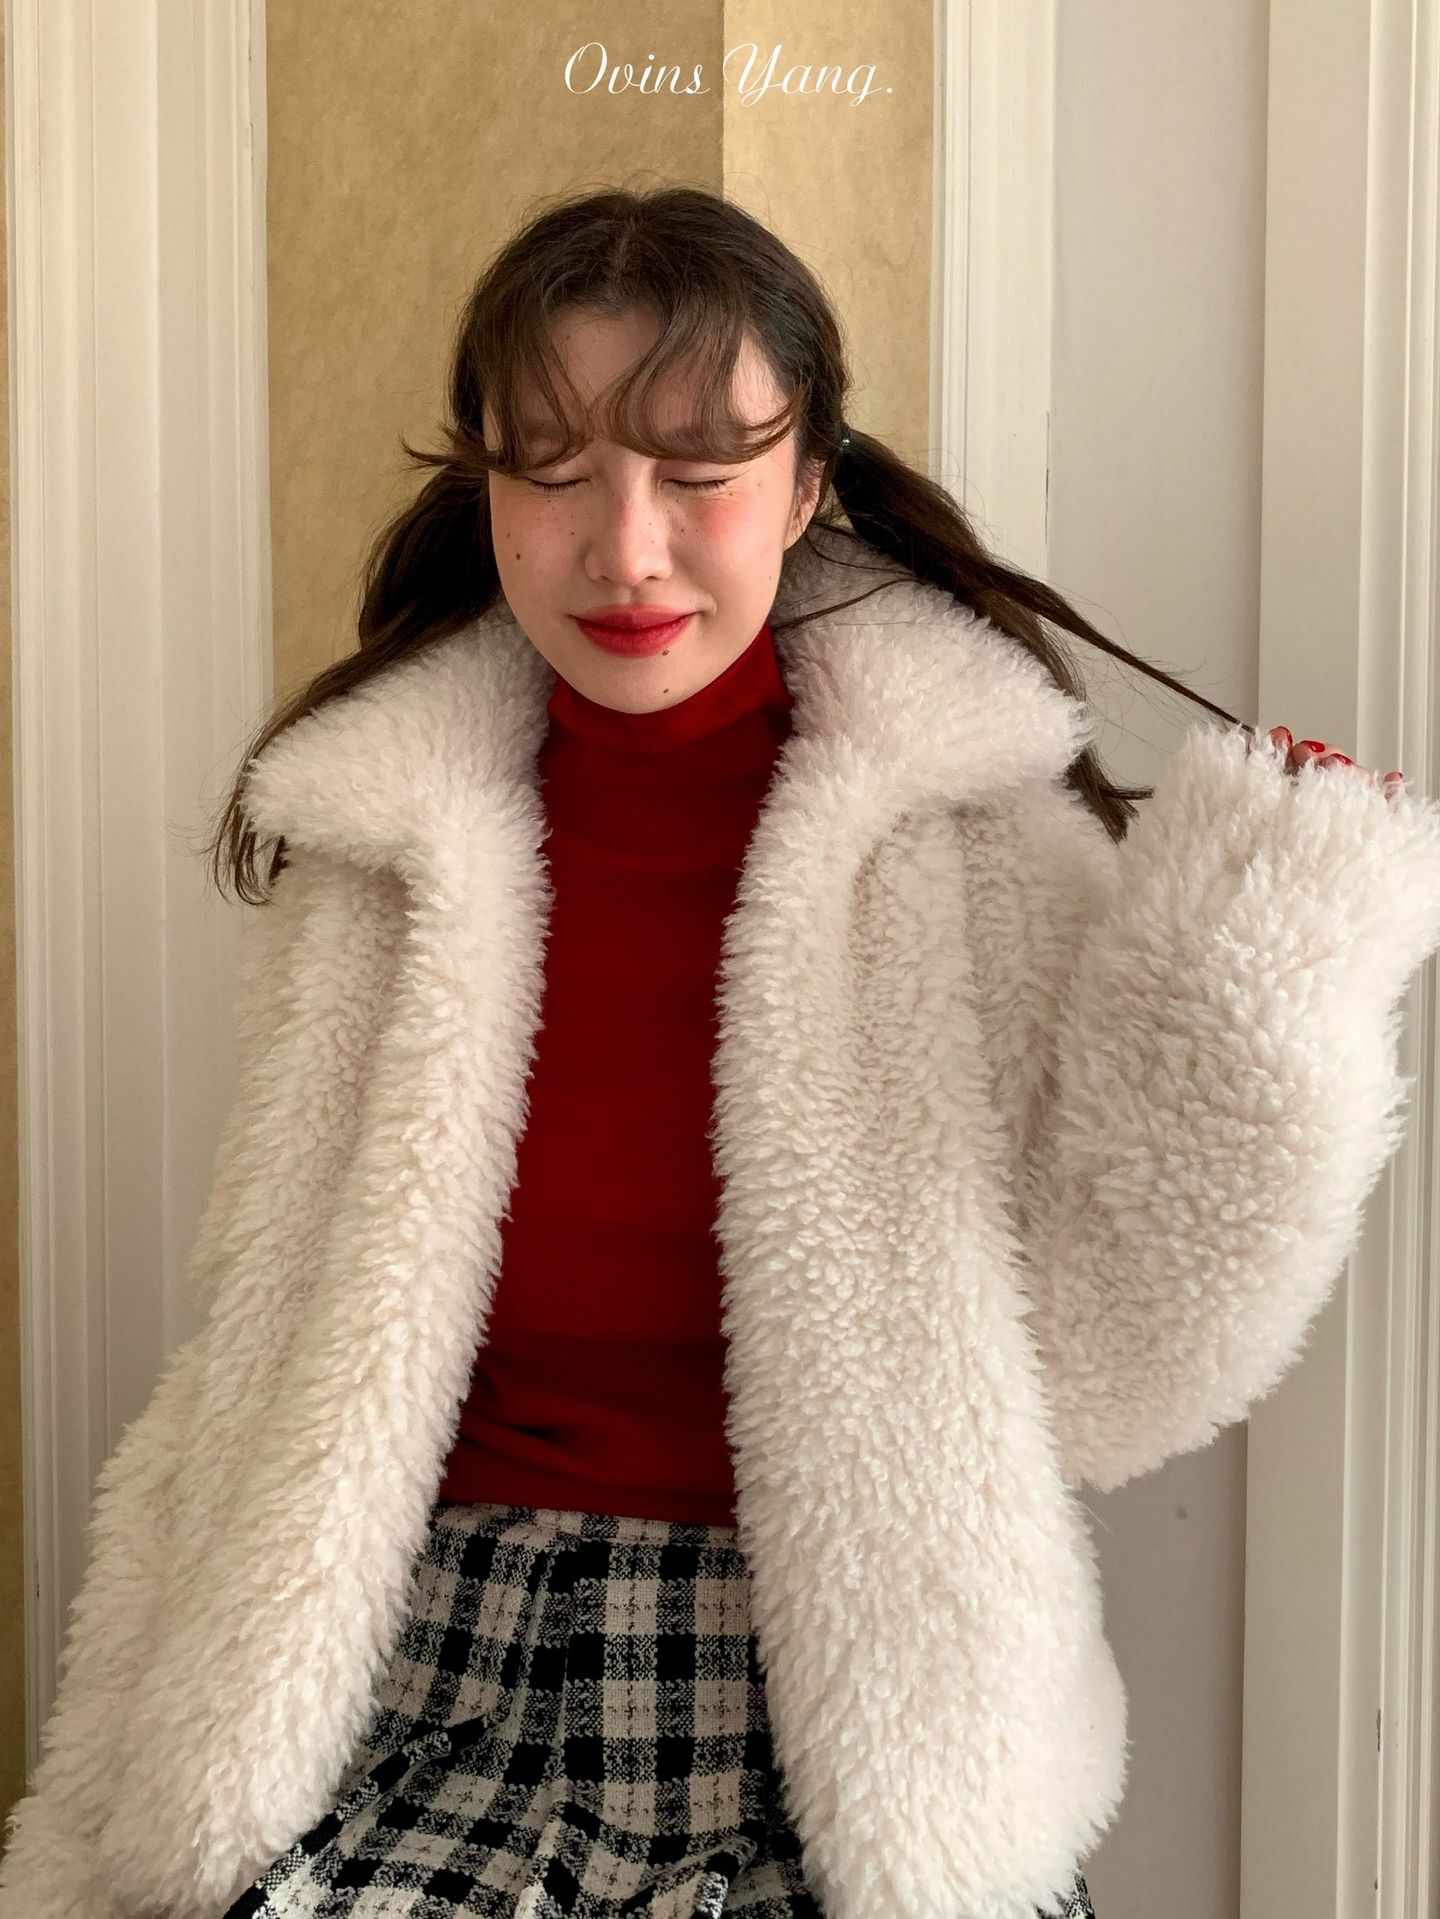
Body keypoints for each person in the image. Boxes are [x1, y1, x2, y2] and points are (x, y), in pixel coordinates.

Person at [3, 183, 1438, 1919]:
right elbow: (275, 1350)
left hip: (838, 1707)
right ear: (481, 481)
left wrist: (1271, 950)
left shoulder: (967, 843)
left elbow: (1117, 1359)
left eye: (700, 474)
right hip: (406, 1672)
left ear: (808, 480)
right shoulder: (382, 851)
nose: (626, 551)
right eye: (553, 468)